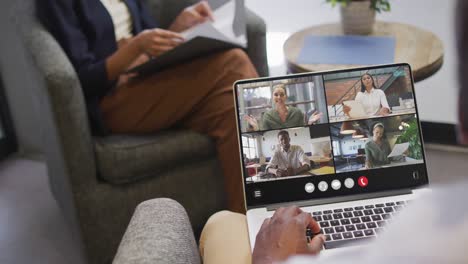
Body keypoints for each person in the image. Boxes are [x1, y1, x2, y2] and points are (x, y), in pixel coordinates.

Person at [197, 1, 468, 262]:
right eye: (276, 95)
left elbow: (307, 162)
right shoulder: (432, 220)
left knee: (222, 222)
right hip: (299, 192)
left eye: (281, 93)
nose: (282, 136)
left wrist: (271, 258)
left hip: (309, 213)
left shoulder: (299, 125)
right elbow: (273, 165)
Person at [37, 0, 258, 213]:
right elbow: (82, 80)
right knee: (235, 64)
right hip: (112, 97)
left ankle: (254, 228)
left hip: (147, 74)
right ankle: (271, 215)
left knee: (231, 105)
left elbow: (147, 38)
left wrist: (176, 28)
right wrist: (135, 48)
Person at [244, 84, 323, 131]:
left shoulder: (297, 112)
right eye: (276, 95)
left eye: (282, 94)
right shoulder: (266, 116)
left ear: (286, 96)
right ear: (272, 97)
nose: (279, 97)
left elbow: (303, 131)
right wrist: (256, 127)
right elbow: (265, 135)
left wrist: (309, 123)